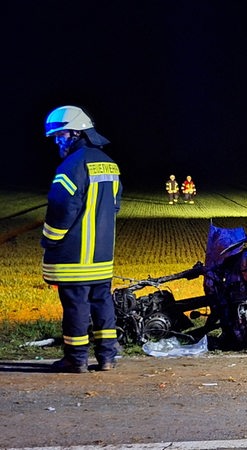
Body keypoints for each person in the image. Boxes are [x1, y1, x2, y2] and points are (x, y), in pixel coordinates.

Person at [42, 105, 122, 373]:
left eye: (60, 136)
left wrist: (50, 240)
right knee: (102, 304)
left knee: (76, 306)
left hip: (75, 256)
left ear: (76, 133)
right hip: (102, 256)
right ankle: (107, 358)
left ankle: (76, 359)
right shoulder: (110, 164)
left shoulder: (71, 166)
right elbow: (115, 205)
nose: (57, 142)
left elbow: (61, 208)